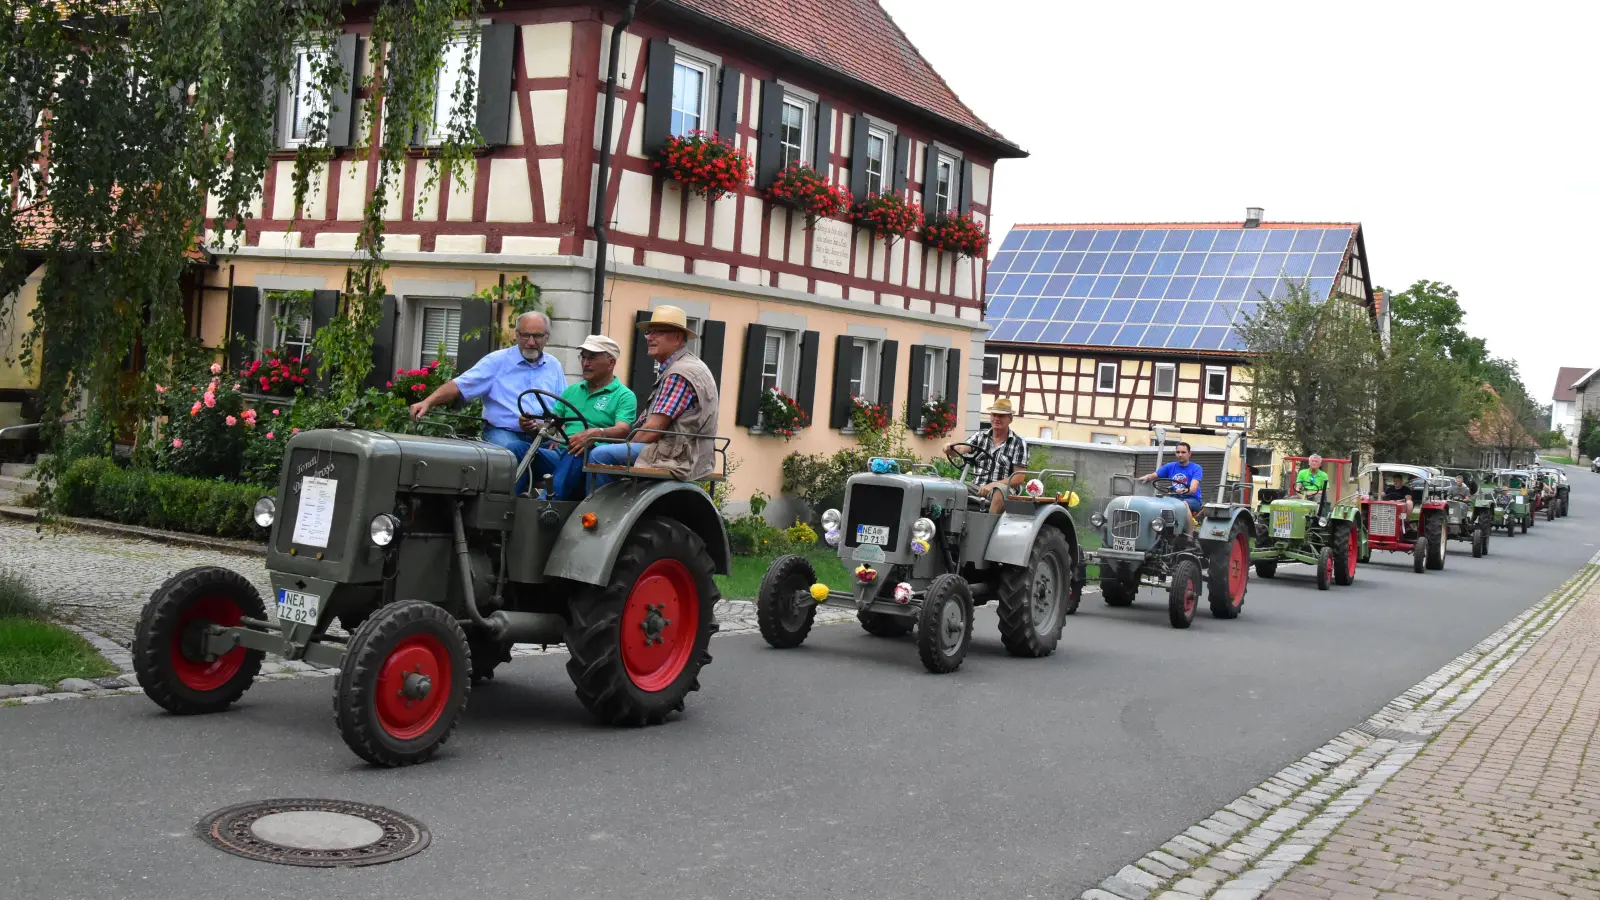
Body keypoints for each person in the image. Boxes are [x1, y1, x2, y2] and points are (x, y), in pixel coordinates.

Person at [409, 311, 566, 492]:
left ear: (547, 337)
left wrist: (558, 432)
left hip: (543, 437)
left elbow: (562, 406)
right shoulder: (496, 362)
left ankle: (551, 507)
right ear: (516, 335)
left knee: (572, 459)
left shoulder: (554, 366)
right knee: (512, 452)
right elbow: (460, 386)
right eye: (525, 335)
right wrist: (427, 402)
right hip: (504, 432)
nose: (531, 342)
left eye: (537, 336)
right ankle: (504, 506)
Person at [586, 305, 720, 486]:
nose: (650, 337)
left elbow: (653, 429)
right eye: (649, 332)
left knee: (598, 455)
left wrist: (626, 444)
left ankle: (596, 510)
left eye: (658, 332)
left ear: (678, 338)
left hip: (677, 455)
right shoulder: (687, 365)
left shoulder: (679, 373)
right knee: (603, 448)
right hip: (688, 452)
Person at [530, 335, 637, 499]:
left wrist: (596, 433)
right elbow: (552, 423)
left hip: (589, 459)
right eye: (583, 357)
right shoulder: (572, 390)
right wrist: (533, 425)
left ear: (611, 363)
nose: (585, 363)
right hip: (562, 454)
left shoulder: (624, 395)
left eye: (592, 358)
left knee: (579, 450)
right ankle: (509, 507)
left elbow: (623, 429)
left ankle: (545, 504)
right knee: (516, 449)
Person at [942, 398, 1029, 514]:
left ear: (1010, 419)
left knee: (999, 491)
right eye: (994, 415)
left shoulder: (1018, 443)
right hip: (977, 486)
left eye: (1001, 416)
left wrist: (993, 485)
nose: (997, 419)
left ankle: (988, 528)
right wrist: (950, 448)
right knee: (950, 487)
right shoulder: (980, 436)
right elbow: (962, 448)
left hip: (1003, 490)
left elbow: (1019, 478)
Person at [1140, 440, 1204, 514]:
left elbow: (1193, 489)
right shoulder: (1170, 466)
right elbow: (1154, 475)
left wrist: (1182, 491)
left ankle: (1189, 525)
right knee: (1157, 504)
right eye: (1178, 452)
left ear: (1189, 454)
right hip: (1174, 498)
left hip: (1192, 499)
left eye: (1183, 452)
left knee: (1182, 505)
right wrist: (1146, 477)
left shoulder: (1196, 468)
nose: (1180, 455)